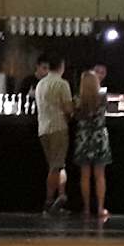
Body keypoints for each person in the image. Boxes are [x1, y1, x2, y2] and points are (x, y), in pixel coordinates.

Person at [31, 54, 73, 214]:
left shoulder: (40, 84)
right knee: (56, 167)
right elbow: (68, 108)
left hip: (43, 128)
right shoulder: (62, 84)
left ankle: (61, 198)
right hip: (58, 127)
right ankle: (49, 202)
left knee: (57, 165)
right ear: (61, 66)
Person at [74, 62, 113, 222]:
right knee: (100, 176)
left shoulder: (78, 99)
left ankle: (86, 208)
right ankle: (100, 207)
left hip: (83, 138)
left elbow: (73, 114)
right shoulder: (102, 97)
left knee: (84, 176)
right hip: (99, 138)